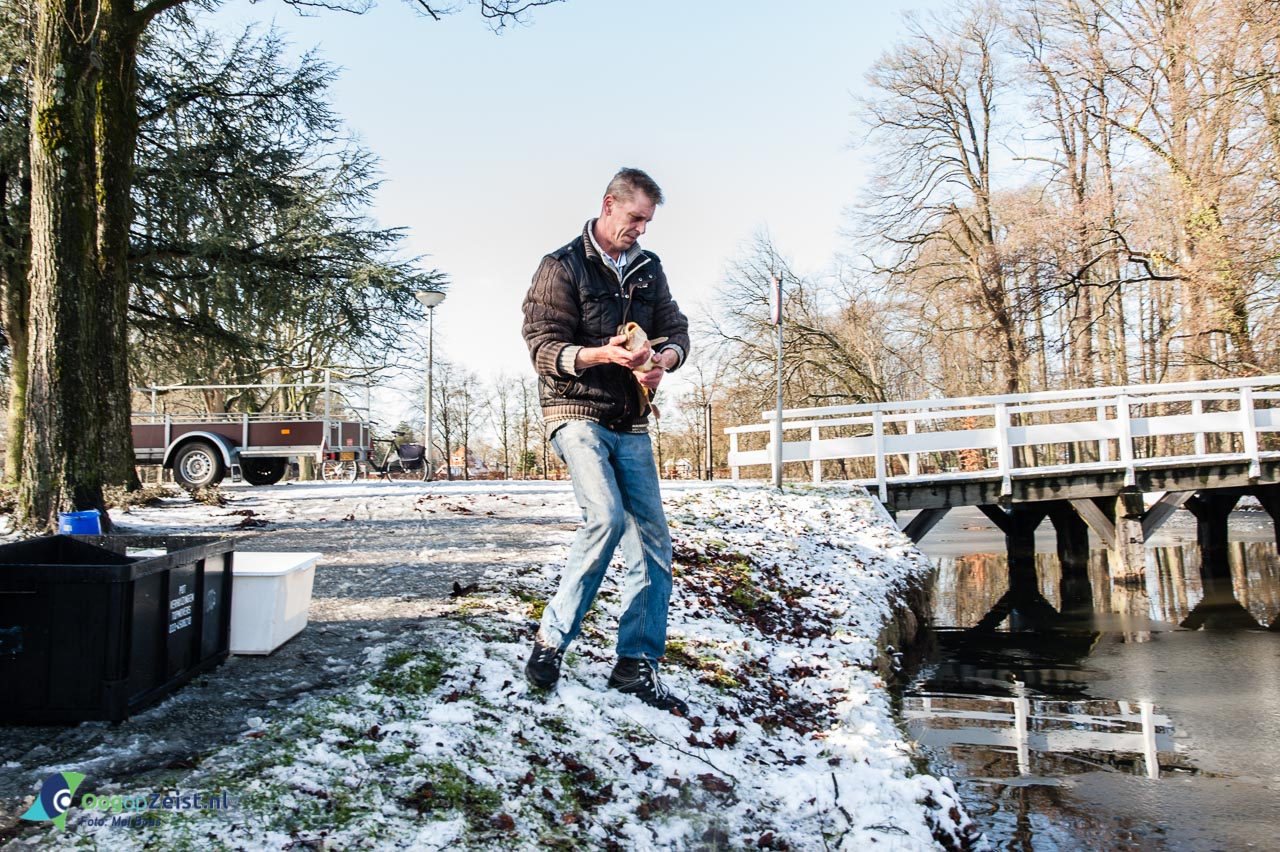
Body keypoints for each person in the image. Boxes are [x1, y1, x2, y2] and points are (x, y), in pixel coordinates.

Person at [520, 167, 691, 715]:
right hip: (575, 413)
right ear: (609, 205)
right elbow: (543, 347)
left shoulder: (649, 268)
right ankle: (551, 641)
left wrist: (664, 359)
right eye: (635, 218)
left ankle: (635, 665)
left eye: (648, 221)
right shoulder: (560, 266)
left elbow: (675, 328)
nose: (641, 229)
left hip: (631, 420)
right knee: (606, 518)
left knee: (654, 540)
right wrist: (602, 355)